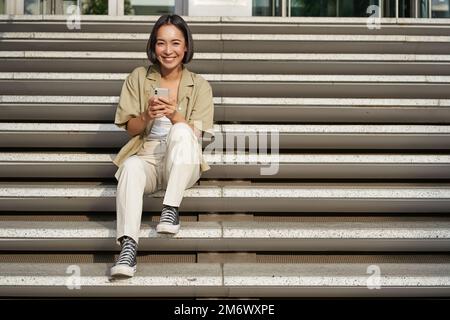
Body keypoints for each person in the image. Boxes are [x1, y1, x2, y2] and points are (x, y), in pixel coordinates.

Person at [110, 14, 214, 278]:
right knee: (131, 167)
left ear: (186, 46)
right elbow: (128, 127)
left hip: (182, 161)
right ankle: (128, 249)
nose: (168, 51)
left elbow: (200, 135)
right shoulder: (138, 77)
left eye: (176, 43)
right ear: (153, 46)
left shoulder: (200, 85)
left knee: (181, 130)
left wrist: (173, 115)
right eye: (161, 43)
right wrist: (147, 115)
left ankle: (170, 209)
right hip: (147, 157)